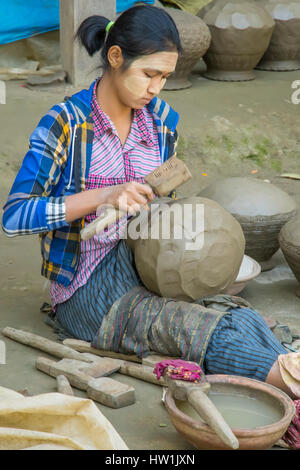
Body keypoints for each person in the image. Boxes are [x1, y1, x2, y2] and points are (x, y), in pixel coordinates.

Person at [1, 5, 298, 400]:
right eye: (149, 74)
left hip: (146, 259)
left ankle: (285, 368)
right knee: (190, 328)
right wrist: (103, 196)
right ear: (115, 57)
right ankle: (287, 385)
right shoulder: (66, 124)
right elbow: (15, 217)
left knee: (237, 315)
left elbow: (161, 203)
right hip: (86, 286)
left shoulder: (160, 120)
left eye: (165, 76)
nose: (156, 87)